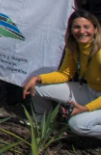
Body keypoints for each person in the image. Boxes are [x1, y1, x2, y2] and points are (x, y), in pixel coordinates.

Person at [24, 10, 101, 139]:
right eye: (77, 27)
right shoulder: (74, 47)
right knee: (37, 87)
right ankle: (42, 122)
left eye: (87, 27)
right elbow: (65, 73)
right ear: (71, 29)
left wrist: (86, 108)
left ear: (96, 29)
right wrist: (37, 78)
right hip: (91, 91)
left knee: (77, 125)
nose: (82, 31)